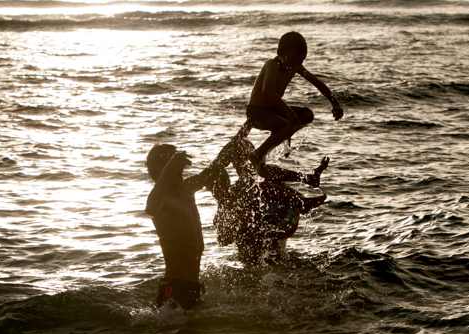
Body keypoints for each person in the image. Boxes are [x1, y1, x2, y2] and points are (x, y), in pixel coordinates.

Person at [145, 141, 236, 310]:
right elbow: (150, 208)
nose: (180, 164)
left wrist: (248, 127)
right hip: (173, 288)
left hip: (192, 288)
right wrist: (170, 167)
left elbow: (216, 166)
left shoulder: (187, 190)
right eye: (172, 160)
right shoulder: (161, 201)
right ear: (160, 169)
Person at [214, 137, 329, 264]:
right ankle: (306, 186)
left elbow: (223, 238)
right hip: (286, 222)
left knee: (262, 178)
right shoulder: (241, 188)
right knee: (262, 180)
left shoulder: (245, 186)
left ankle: (306, 188)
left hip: (282, 221)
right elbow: (223, 239)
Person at [246, 31, 344, 174]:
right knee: (289, 123)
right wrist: (289, 111)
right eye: (292, 61)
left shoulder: (295, 66)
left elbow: (318, 83)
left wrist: (334, 103)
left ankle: (283, 134)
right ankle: (258, 154)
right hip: (257, 112)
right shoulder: (272, 65)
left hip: (273, 111)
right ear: (279, 53)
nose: (296, 65)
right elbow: (267, 91)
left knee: (307, 115)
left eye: (301, 61)